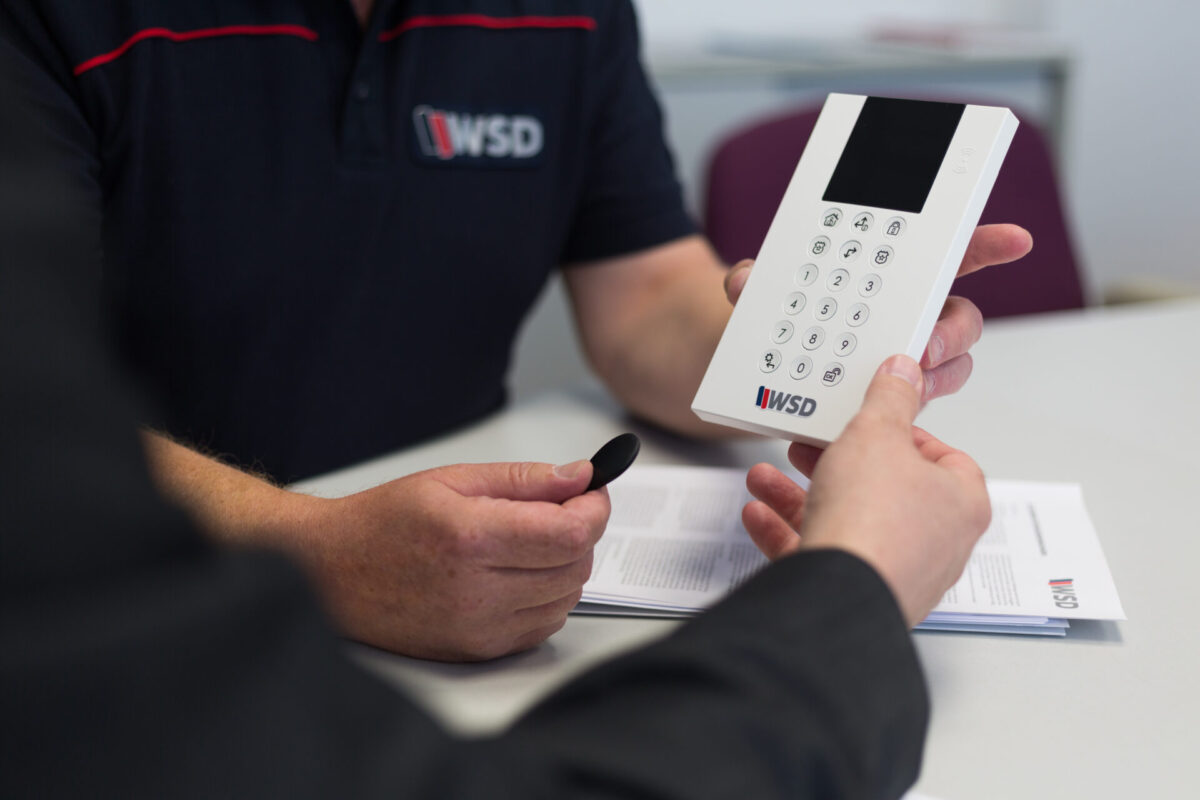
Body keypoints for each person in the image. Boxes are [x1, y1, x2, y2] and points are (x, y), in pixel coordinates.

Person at [1, 54, 991, 797]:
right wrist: (315, 546)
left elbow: (647, 295)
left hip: (486, 612)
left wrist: (800, 347)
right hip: (159, 619)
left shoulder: (573, 18)